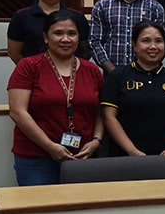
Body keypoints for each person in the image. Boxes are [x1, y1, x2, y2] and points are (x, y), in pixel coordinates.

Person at [7, 11, 104, 186]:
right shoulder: (28, 66)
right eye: (58, 33)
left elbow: (100, 113)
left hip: (83, 156)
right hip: (37, 157)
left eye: (72, 34)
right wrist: (50, 146)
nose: (65, 39)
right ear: (46, 37)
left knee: (82, 212)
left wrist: (96, 141)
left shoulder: (92, 70)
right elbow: (17, 112)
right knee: (41, 211)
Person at [99, 20, 165, 175]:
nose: (153, 47)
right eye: (146, 41)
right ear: (134, 45)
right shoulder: (118, 76)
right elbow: (109, 117)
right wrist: (132, 151)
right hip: (125, 159)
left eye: (159, 41)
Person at [89, 0, 165, 74]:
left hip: (146, 75)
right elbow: (94, 42)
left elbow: (161, 43)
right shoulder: (102, 6)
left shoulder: (155, 8)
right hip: (111, 75)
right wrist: (113, 72)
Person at [7, 0, 90, 64]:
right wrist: (31, 70)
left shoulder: (77, 17)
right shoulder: (21, 17)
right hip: (34, 76)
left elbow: (85, 52)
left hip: (70, 75)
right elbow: (14, 53)